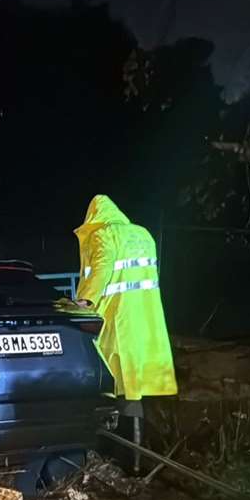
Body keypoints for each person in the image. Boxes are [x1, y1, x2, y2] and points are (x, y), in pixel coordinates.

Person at [74, 197, 176, 472]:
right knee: (137, 389)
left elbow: (102, 269)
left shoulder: (104, 235)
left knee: (116, 385)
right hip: (147, 321)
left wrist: (85, 302)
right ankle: (141, 458)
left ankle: (126, 460)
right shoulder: (143, 234)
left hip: (118, 321)